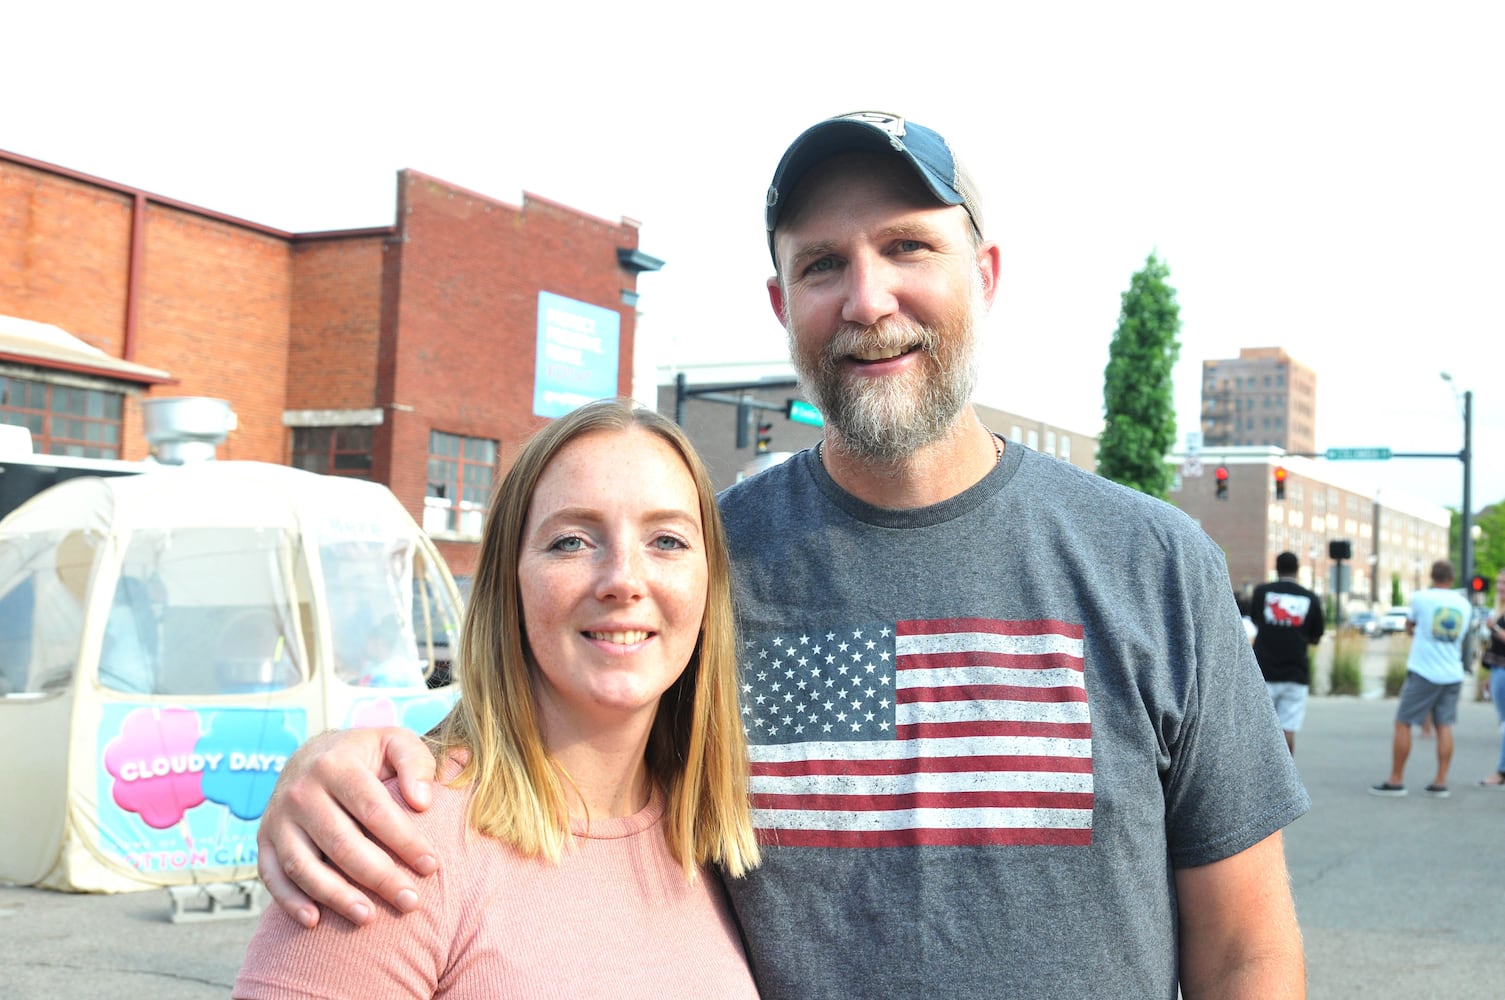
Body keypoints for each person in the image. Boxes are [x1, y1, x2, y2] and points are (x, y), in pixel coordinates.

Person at [254, 111, 1309, 998]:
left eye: (906, 247)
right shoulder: (701, 564)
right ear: (781, 307)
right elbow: (530, 740)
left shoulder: (1150, 562)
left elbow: (1244, 947)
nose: (866, 299)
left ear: (982, 274)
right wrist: (335, 768)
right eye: (821, 265)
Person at [234, 400, 760, 998]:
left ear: (709, 586)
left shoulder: (718, 839)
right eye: (571, 542)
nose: (624, 579)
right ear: (508, 582)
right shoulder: (393, 839)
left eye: (667, 540)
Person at [1370, 559, 1473, 798]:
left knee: (1403, 722)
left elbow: (1410, 626)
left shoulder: (1421, 598)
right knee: (1444, 726)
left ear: (1431, 575)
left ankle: (1396, 780)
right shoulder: (1464, 605)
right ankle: (1440, 781)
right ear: (1451, 578)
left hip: (1424, 670)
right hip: (1452, 672)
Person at [1250, 551, 1325, 753]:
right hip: (1296, 672)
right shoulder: (1310, 598)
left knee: (1259, 729)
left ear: (1277, 568)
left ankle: (1256, 778)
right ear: (1297, 569)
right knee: (1287, 729)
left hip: (1263, 671)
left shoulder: (1262, 592)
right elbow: (1316, 635)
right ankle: (1284, 780)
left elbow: (1256, 620)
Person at [1479, 603, 1505, 787]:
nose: (1500, 587)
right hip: (1498, 668)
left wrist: (1494, 627)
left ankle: (1501, 771)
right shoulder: (1500, 609)